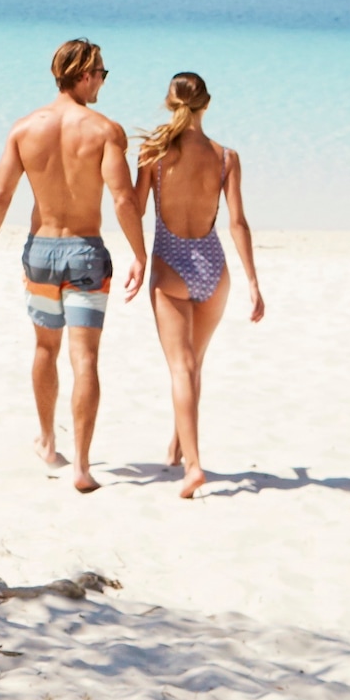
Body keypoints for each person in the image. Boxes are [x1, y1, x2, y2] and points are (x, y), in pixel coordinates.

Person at [0, 38, 144, 490]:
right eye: (102, 72)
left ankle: (48, 444)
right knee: (85, 358)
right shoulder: (105, 130)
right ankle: (83, 468)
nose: (104, 79)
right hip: (85, 252)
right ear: (84, 75)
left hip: (41, 253)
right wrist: (140, 254)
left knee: (45, 349)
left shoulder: (25, 129)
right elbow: (123, 198)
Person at [133, 68, 265, 497]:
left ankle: (193, 465)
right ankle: (176, 446)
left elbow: (133, 209)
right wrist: (252, 281)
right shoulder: (227, 157)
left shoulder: (153, 154)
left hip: (171, 262)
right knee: (194, 364)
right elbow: (238, 223)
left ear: (169, 104)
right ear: (206, 105)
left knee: (181, 366)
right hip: (214, 266)